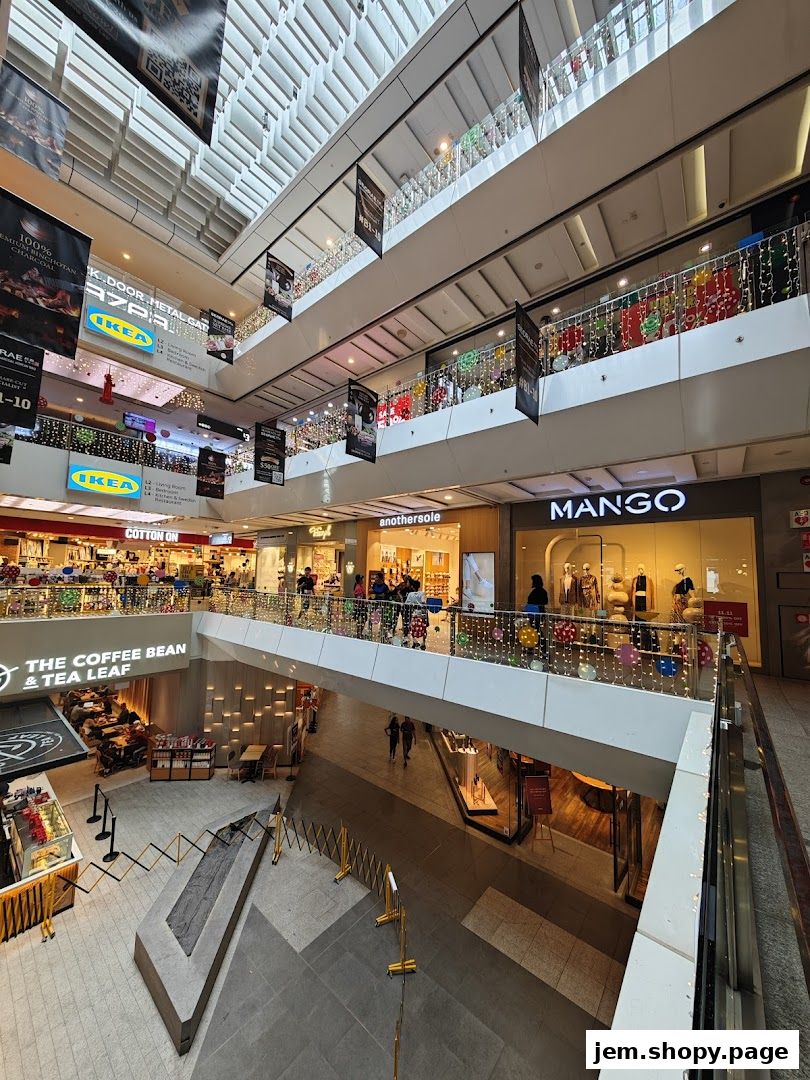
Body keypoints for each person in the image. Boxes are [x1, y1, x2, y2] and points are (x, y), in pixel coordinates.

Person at [405, 579, 428, 649]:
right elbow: (424, 602)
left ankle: (414, 641)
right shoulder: (422, 593)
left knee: (412, 627)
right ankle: (423, 642)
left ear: (412, 586)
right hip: (422, 612)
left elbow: (407, 603)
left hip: (414, 612)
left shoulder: (410, 594)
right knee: (424, 627)